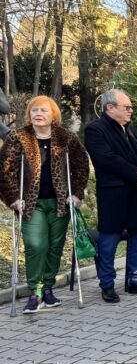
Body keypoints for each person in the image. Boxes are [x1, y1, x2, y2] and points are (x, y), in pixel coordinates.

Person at [0, 96, 89, 313]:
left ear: (53, 115)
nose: (38, 114)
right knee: (36, 244)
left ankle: (48, 289)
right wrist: (12, 198)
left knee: (55, 246)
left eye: (43, 110)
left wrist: (76, 194)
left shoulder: (66, 138)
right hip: (31, 204)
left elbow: (81, 166)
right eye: (34, 110)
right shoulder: (19, 138)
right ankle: (35, 291)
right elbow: (4, 170)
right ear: (29, 114)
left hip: (60, 202)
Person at [85, 89, 137, 303]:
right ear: (110, 108)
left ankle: (135, 280)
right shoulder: (95, 130)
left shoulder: (129, 128)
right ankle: (107, 284)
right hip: (113, 195)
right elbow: (108, 159)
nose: (131, 111)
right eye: (127, 107)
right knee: (109, 241)